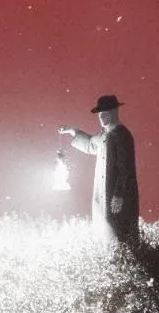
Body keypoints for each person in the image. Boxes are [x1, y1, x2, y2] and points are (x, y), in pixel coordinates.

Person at [56, 96, 139, 247]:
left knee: (119, 228)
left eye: (105, 114)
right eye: (100, 114)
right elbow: (90, 144)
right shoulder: (103, 135)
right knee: (104, 226)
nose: (101, 117)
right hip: (102, 192)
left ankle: (125, 261)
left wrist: (119, 194)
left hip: (116, 194)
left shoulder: (121, 135)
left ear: (114, 112)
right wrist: (72, 131)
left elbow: (125, 168)